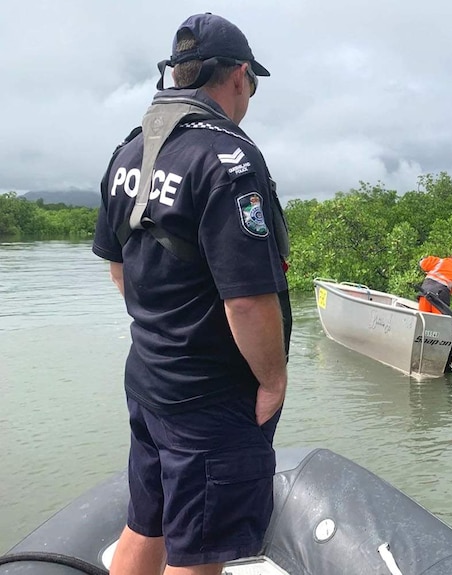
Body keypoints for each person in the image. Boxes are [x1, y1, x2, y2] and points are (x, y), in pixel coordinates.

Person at [92, 13, 290, 575]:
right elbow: (247, 300)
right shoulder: (228, 157)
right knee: (200, 553)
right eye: (251, 84)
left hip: (149, 381)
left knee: (145, 523)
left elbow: (119, 269)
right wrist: (273, 379)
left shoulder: (130, 153)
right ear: (239, 76)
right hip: (209, 399)